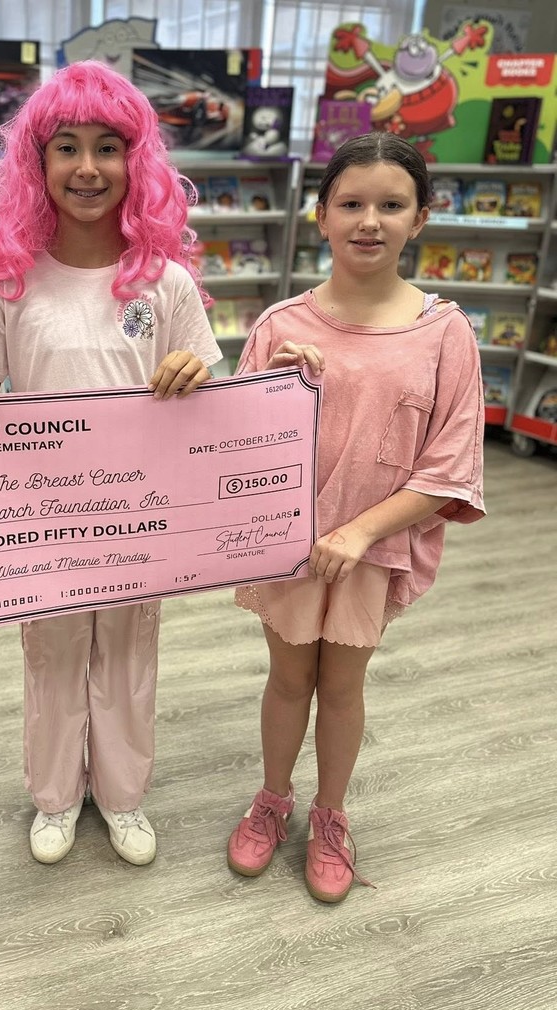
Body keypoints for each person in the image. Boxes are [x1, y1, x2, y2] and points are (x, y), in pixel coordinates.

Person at [0, 61, 222, 867]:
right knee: (53, 654)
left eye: (107, 147)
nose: (87, 168)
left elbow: (210, 397)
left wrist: (198, 378)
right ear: (37, 162)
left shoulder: (165, 282)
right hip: (44, 514)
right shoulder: (7, 280)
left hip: (138, 516)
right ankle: (55, 797)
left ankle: (123, 797)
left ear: (138, 163)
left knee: (128, 654)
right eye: (66, 148)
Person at [226, 132, 485, 902]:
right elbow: (227, 449)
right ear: (321, 216)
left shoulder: (445, 332)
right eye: (350, 203)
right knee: (286, 677)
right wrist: (263, 392)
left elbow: (450, 464)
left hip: (370, 550)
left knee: (341, 685)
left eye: (390, 204)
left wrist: (362, 530)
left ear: (420, 219)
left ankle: (329, 814)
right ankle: (272, 798)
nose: (368, 220)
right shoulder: (279, 325)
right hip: (289, 546)